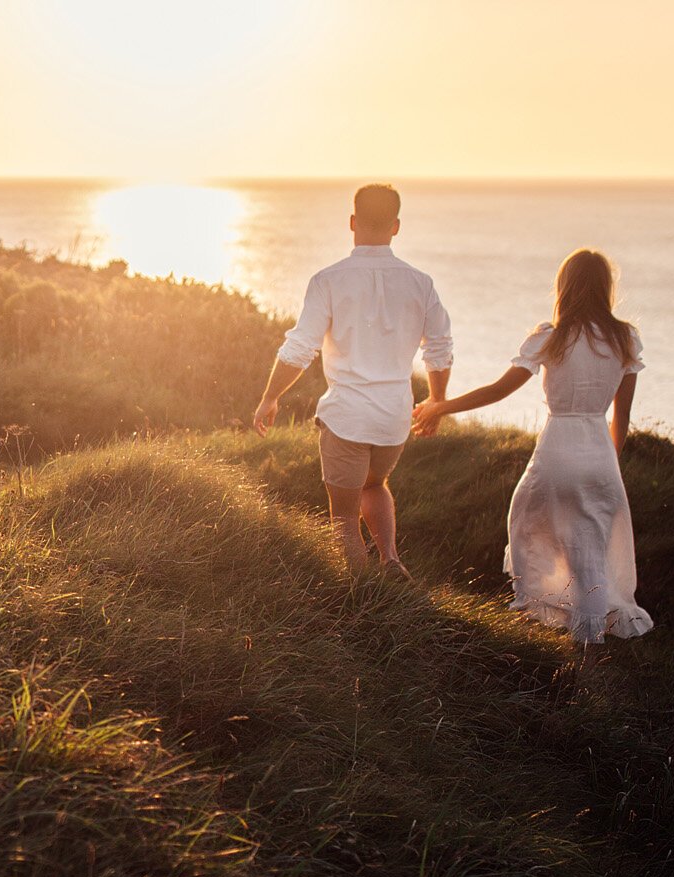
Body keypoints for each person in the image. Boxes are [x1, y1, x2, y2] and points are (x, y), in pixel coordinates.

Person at [410, 249, 653, 666]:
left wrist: (440, 406)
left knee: (525, 523)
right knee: (590, 550)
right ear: (605, 289)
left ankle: (537, 612)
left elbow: (498, 390)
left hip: (558, 448)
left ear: (565, 287)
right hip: (599, 454)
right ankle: (587, 651)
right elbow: (623, 416)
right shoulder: (624, 338)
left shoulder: (550, 336)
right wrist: (604, 465)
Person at [253, 183, 453, 578]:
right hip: (393, 419)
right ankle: (391, 561)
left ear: (352, 222)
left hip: (346, 417)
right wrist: (436, 402)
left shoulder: (329, 280)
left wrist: (269, 397)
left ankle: (362, 597)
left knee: (343, 518)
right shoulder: (420, 283)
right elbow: (440, 348)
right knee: (375, 485)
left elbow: (300, 348)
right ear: (396, 226)